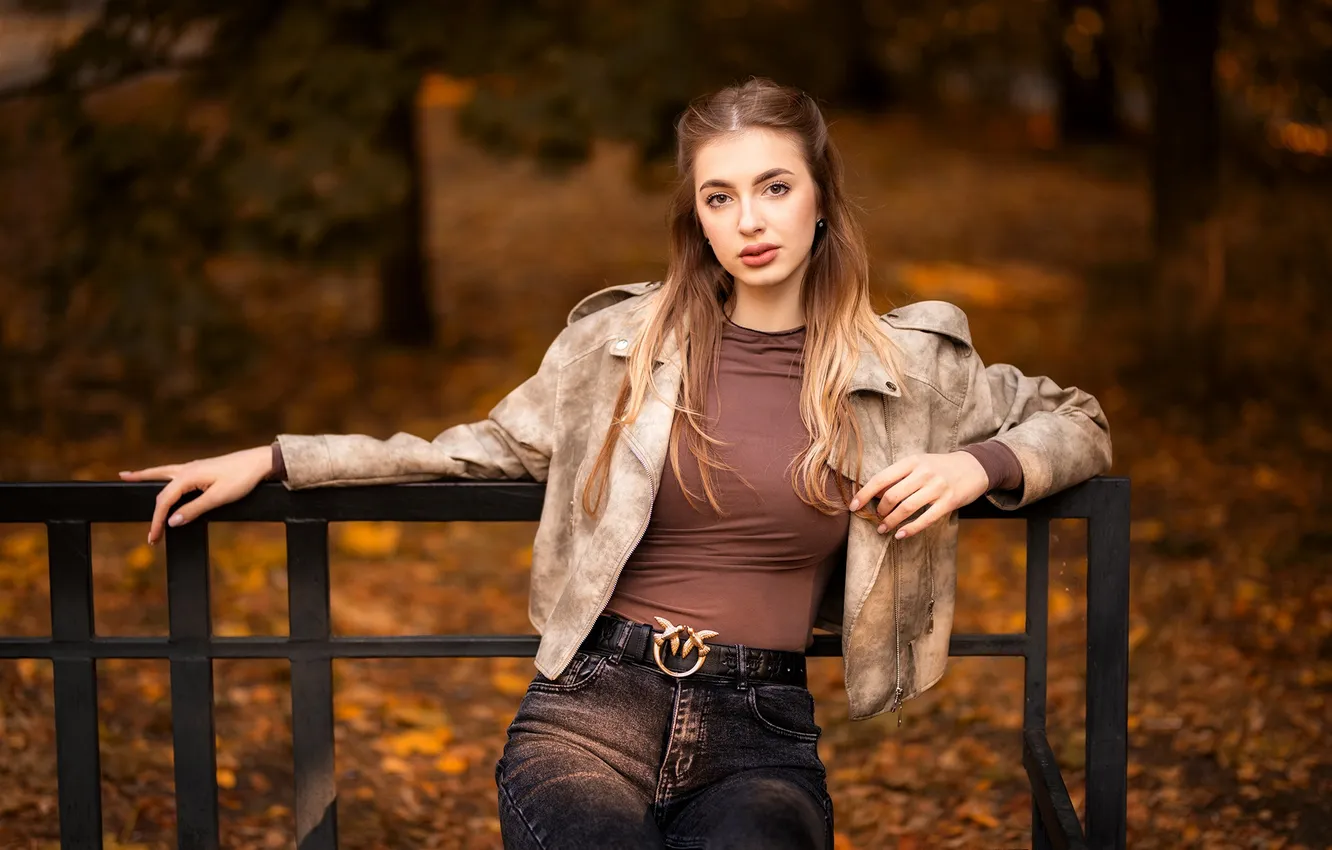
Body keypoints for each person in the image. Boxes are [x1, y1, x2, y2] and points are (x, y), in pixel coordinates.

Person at [119, 78, 1111, 849]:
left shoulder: (911, 366)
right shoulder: (621, 346)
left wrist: (980, 466)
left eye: (774, 187)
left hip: (760, 729)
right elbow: (477, 449)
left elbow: (1080, 421)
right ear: (697, 216)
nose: (750, 221)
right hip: (590, 708)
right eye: (720, 196)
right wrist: (277, 456)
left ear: (820, 200)